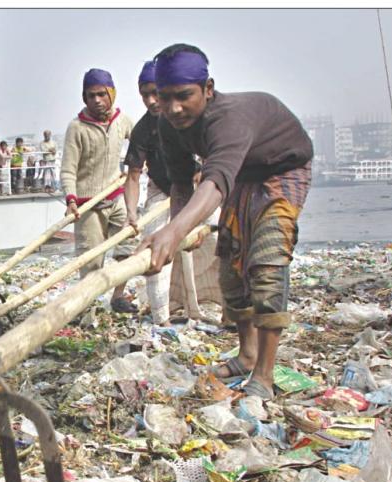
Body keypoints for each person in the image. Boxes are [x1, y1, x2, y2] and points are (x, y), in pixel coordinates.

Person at [136, 43, 313, 399]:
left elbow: (215, 182)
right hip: (242, 174)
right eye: (165, 97)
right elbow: (181, 183)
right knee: (231, 268)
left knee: (267, 264)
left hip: (282, 170)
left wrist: (174, 231)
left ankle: (264, 374)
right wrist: (181, 232)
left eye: (184, 96)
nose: (174, 108)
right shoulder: (167, 124)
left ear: (208, 89)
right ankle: (246, 355)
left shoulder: (229, 119)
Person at [124, 60, 221, 325]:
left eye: (156, 93)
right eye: (145, 95)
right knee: (155, 246)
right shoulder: (143, 129)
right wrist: (131, 213)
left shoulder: (189, 118)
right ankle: (161, 318)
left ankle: (224, 307)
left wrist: (205, 173)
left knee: (220, 236)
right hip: (161, 190)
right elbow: (133, 176)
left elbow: (213, 155)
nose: (151, 101)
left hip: (195, 188)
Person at [60, 68, 134, 313]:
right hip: (87, 204)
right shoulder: (77, 127)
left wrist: (138, 163)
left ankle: (118, 297)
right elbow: (68, 169)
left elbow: (141, 139)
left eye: (102, 94)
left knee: (128, 247)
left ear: (112, 94)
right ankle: (88, 310)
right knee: (91, 261)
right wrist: (71, 199)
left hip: (116, 196)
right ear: (84, 98)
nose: (97, 100)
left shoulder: (122, 121)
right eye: (91, 96)